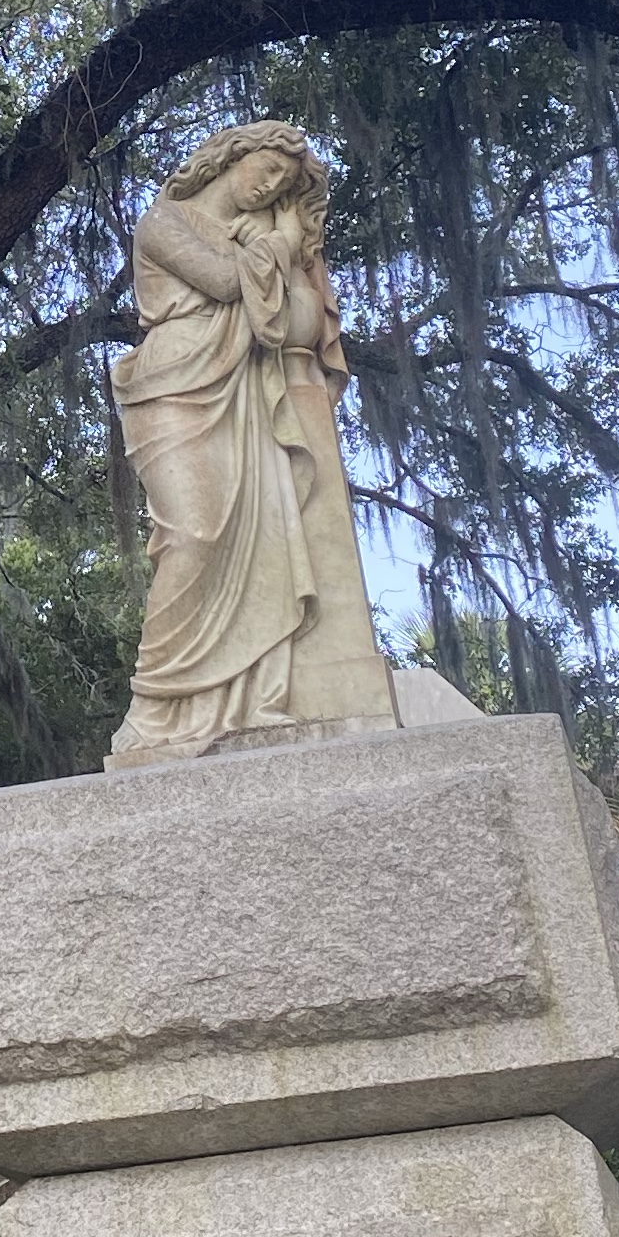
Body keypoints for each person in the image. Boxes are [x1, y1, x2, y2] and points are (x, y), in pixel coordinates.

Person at [105, 119, 396, 762]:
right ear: (226, 158)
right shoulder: (165, 222)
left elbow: (296, 322)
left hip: (244, 391)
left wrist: (286, 245)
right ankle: (156, 702)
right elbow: (222, 282)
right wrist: (281, 245)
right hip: (175, 388)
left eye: (282, 186)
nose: (267, 187)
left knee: (261, 536)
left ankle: (245, 693)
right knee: (193, 534)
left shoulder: (259, 236)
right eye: (263, 169)